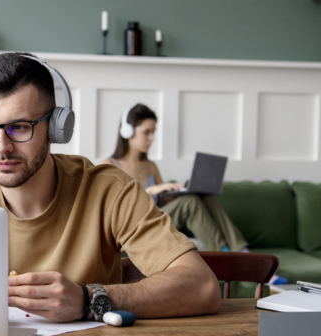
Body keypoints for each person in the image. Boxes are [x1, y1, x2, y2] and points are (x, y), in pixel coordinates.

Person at [0, 53, 221, 323]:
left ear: (55, 129)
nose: (1, 147)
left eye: (19, 127)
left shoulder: (110, 192)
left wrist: (88, 300)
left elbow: (202, 286)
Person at [102, 104, 248, 253]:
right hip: (136, 226)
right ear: (128, 131)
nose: (152, 138)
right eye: (147, 132)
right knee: (189, 203)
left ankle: (242, 250)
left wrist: (179, 192)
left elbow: (167, 204)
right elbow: (112, 209)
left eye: (153, 132)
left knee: (204, 197)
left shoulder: (151, 166)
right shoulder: (109, 165)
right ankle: (227, 254)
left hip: (161, 218)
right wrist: (150, 191)